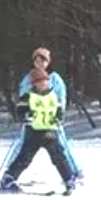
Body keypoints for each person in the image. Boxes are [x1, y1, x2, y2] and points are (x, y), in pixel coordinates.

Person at [0, 69, 76, 195]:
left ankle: (69, 179)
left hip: (50, 130)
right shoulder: (28, 96)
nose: (44, 83)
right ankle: (9, 179)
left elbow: (59, 109)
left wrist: (59, 117)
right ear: (34, 83)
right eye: (40, 81)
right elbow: (20, 110)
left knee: (59, 156)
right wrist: (26, 115)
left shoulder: (53, 95)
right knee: (25, 157)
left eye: (45, 81)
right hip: (34, 131)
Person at [15, 47, 82, 179]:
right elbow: (23, 94)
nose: (40, 64)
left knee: (60, 147)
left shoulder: (54, 77)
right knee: (24, 146)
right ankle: (10, 174)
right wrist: (26, 112)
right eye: (37, 61)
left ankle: (73, 172)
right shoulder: (29, 77)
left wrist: (60, 112)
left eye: (43, 61)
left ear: (48, 62)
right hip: (34, 119)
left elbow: (61, 96)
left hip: (50, 118)